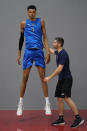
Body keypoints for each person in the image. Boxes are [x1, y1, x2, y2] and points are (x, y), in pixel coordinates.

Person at [16, 5, 52, 116]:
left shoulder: (41, 21)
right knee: (25, 77)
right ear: (27, 13)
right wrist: (19, 53)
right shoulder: (23, 23)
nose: (32, 14)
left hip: (39, 52)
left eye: (33, 12)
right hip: (28, 52)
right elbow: (21, 39)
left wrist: (48, 52)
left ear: (36, 13)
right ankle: (20, 103)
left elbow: (45, 37)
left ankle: (47, 104)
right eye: (30, 12)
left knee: (43, 77)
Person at [43, 37, 84, 128]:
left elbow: (59, 69)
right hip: (61, 79)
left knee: (66, 98)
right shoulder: (59, 52)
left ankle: (78, 118)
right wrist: (44, 45)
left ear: (59, 44)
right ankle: (61, 119)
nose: (53, 43)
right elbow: (52, 51)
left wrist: (49, 77)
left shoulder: (63, 54)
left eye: (54, 42)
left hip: (66, 79)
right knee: (59, 98)